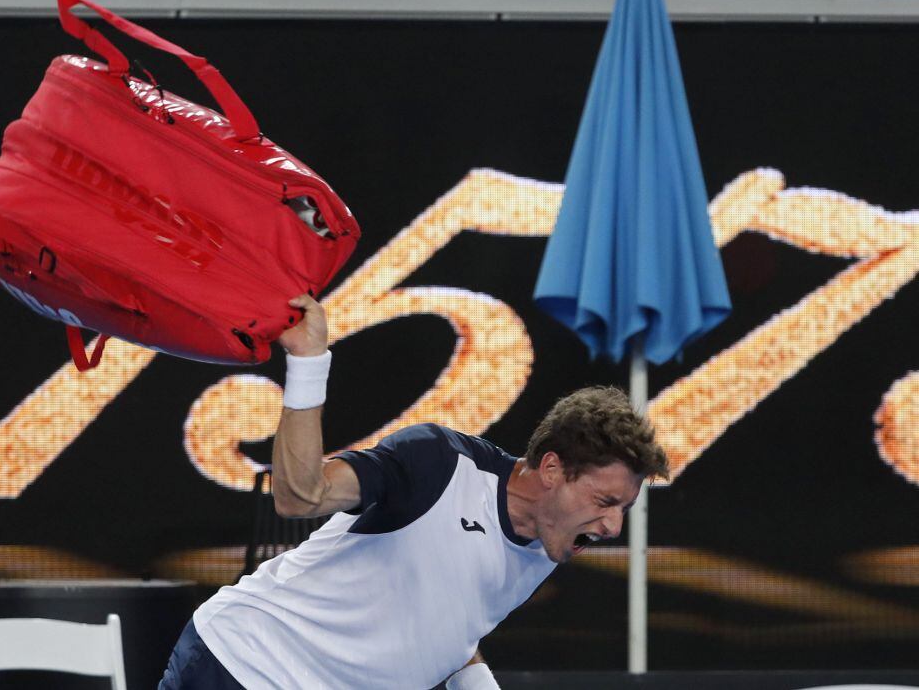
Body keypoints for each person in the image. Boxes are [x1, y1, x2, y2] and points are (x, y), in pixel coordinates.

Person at [158, 294, 670, 690]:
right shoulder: (439, 464)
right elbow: (299, 497)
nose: (613, 527)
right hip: (244, 666)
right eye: (606, 503)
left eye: (624, 508)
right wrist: (310, 361)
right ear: (553, 470)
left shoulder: (552, 536)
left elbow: (451, 622)